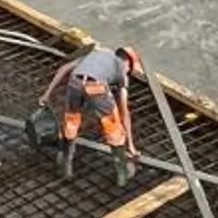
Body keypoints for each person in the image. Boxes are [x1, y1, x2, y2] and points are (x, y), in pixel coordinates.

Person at [39, 45, 144, 185]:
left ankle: (66, 164)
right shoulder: (122, 71)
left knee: (71, 121)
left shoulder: (96, 54)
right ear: (128, 63)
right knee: (113, 128)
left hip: (74, 81)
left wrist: (47, 94)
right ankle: (122, 172)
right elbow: (124, 111)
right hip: (96, 86)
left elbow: (64, 69)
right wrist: (131, 146)